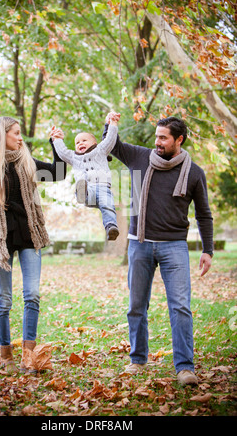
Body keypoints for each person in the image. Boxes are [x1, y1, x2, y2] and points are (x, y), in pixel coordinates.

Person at [103, 113, 213, 386]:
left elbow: (204, 215)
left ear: (179, 140)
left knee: (180, 308)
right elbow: (112, 145)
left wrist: (207, 249)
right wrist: (110, 124)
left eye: (164, 138)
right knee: (136, 306)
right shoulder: (140, 158)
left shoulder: (194, 173)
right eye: (157, 136)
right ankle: (138, 360)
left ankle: (185, 367)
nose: (158, 142)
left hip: (174, 246)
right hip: (139, 244)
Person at [0, 116, 66, 373]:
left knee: (32, 295)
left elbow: (60, 172)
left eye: (20, 133)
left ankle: (28, 356)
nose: (20, 137)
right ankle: (6, 356)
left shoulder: (26, 161)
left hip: (28, 236)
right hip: (0, 241)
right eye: (16, 133)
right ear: (2, 136)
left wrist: (56, 144)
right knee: (4, 300)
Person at [50, 113, 120, 241]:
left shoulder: (100, 150)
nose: (80, 143)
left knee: (108, 205)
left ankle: (111, 227)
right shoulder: (74, 157)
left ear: (94, 142)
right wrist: (57, 139)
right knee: (87, 192)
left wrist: (113, 124)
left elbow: (110, 139)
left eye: (84, 140)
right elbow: (62, 152)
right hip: (89, 191)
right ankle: (81, 192)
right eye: (77, 142)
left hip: (103, 187)